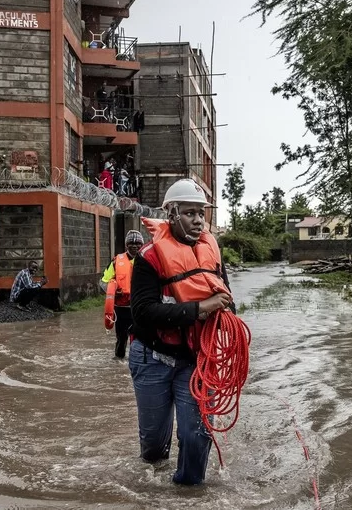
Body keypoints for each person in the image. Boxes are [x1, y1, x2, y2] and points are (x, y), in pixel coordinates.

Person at [129, 178, 235, 486]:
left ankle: (189, 494)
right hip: (153, 358)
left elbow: (226, 300)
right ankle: (153, 480)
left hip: (197, 360)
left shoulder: (211, 253)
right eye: (190, 213)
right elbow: (143, 313)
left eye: (201, 213)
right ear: (171, 213)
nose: (199, 220)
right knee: (153, 446)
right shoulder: (149, 258)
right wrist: (202, 308)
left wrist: (226, 312)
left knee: (196, 434)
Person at [100, 230, 145, 359]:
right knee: (121, 338)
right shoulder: (116, 262)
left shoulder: (148, 261)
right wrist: (112, 292)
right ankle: (118, 361)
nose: (135, 246)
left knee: (140, 339)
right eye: (131, 243)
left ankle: (136, 362)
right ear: (126, 245)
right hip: (121, 308)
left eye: (138, 243)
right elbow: (103, 282)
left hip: (140, 308)